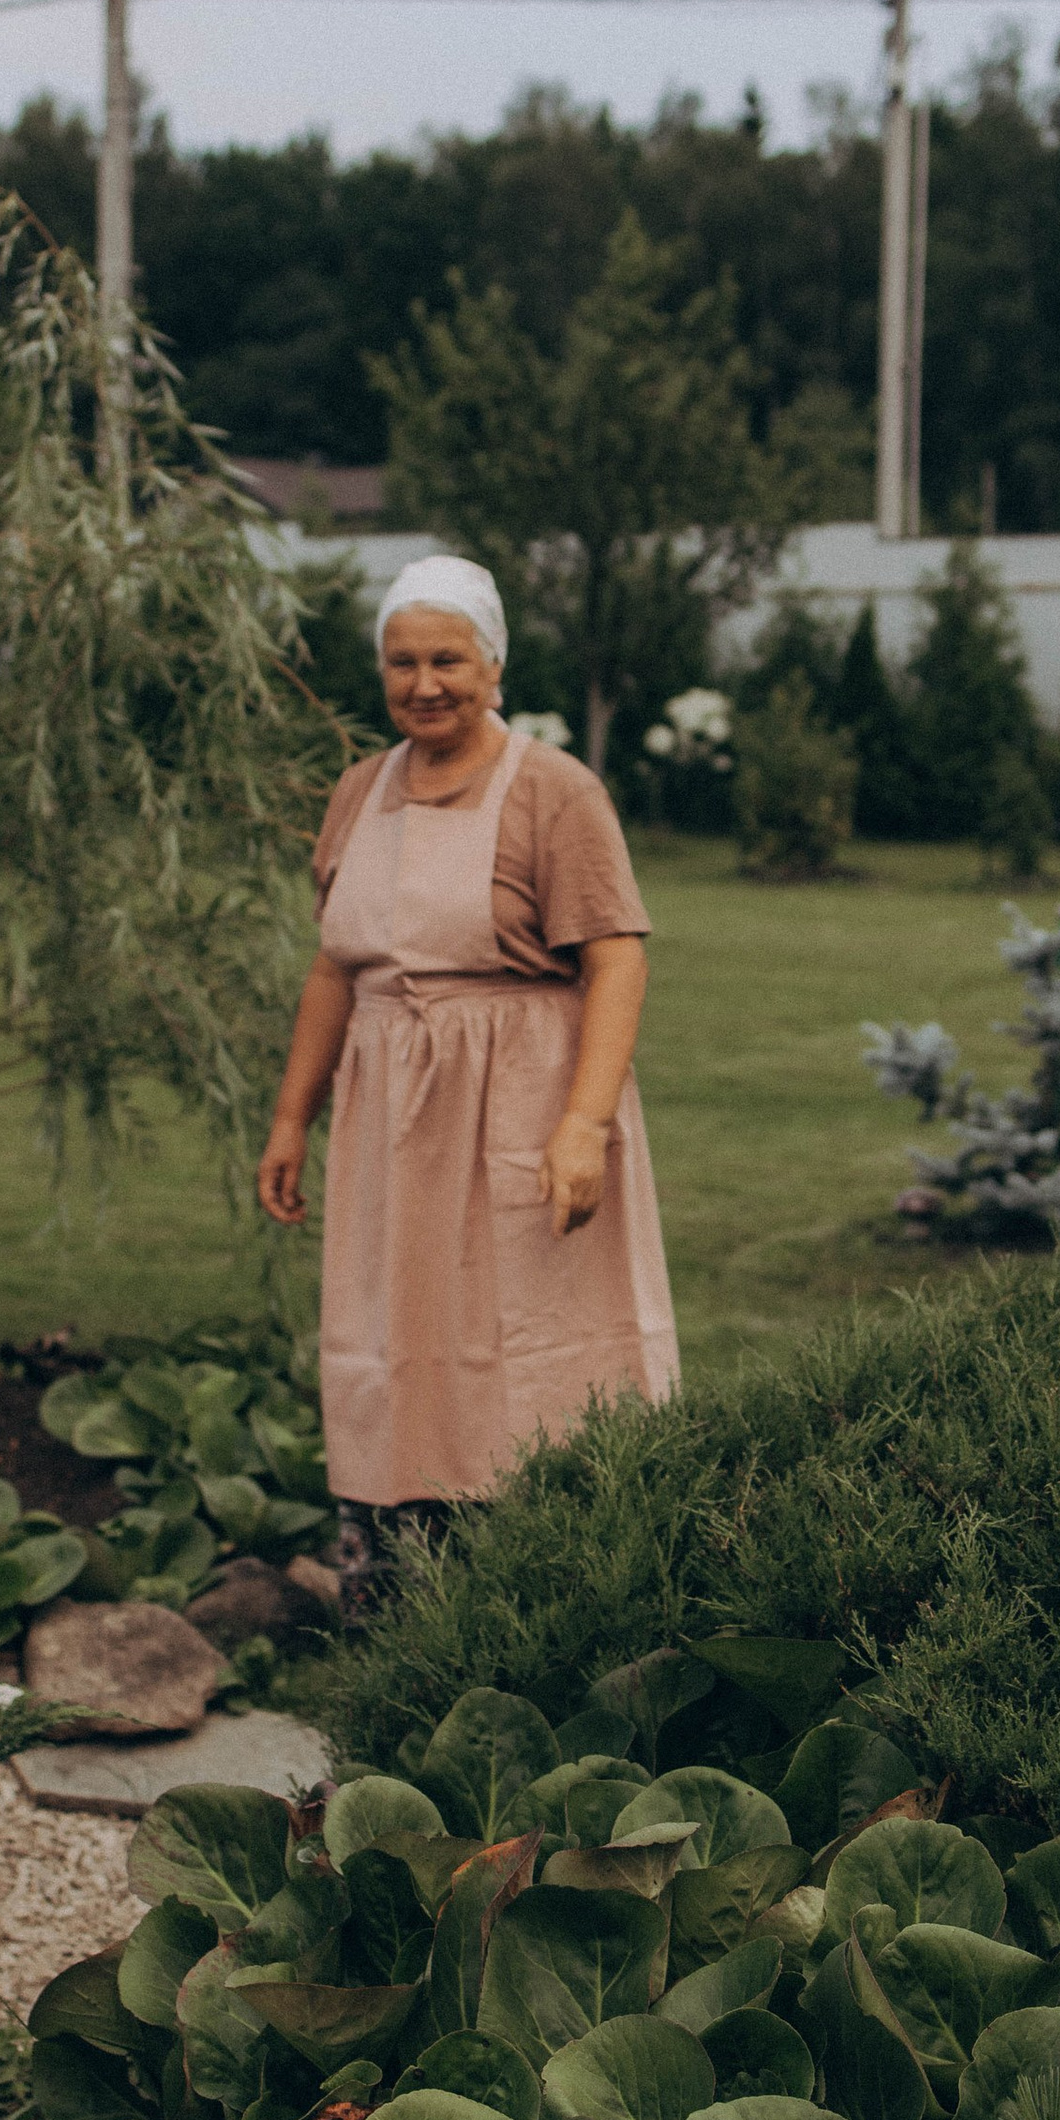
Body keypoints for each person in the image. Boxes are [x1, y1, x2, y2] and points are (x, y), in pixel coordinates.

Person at [257, 556, 678, 1556]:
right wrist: (289, 1118)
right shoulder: (360, 790)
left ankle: (554, 1553)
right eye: (401, 662)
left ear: (493, 664)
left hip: (520, 1101)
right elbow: (334, 969)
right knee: (393, 1336)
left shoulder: (554, 791)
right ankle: (403, 1565)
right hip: (389, 1112)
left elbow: (615, 961)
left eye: (447, 658)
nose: (424, 683)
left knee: (533, 1333)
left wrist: (583, 1125)